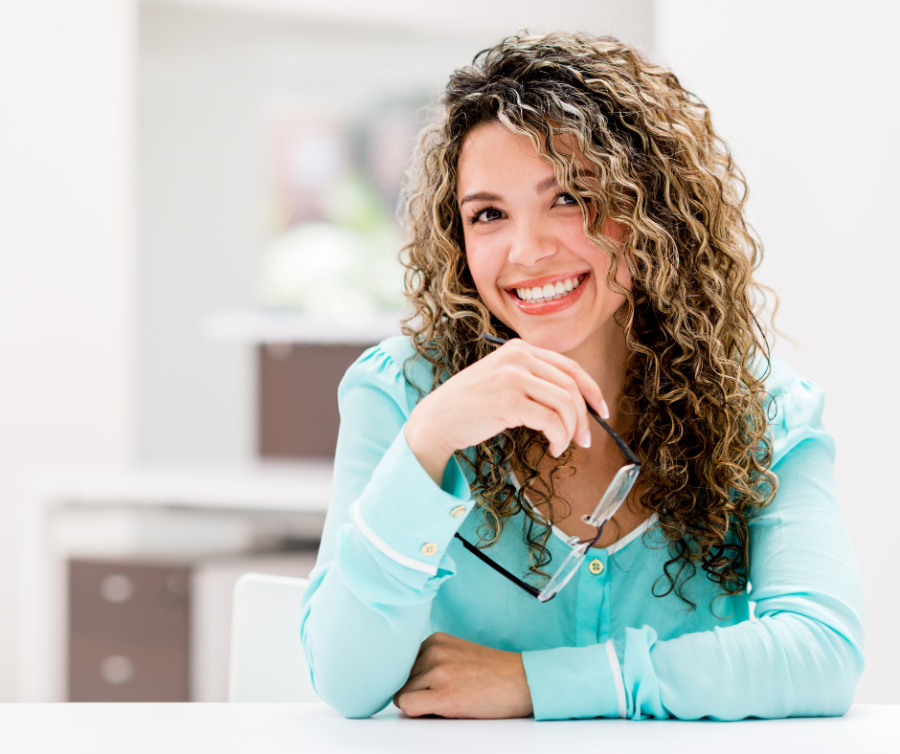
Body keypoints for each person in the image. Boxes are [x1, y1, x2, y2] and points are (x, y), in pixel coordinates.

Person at [299, 32, 864, 721]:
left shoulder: (762, 407)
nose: (527, 251)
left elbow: (821, 653)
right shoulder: (402, 394)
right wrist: (429, 443)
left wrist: (537, 683)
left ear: (650, 210)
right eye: (489, 215)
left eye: (568, 198)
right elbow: (346, 682)